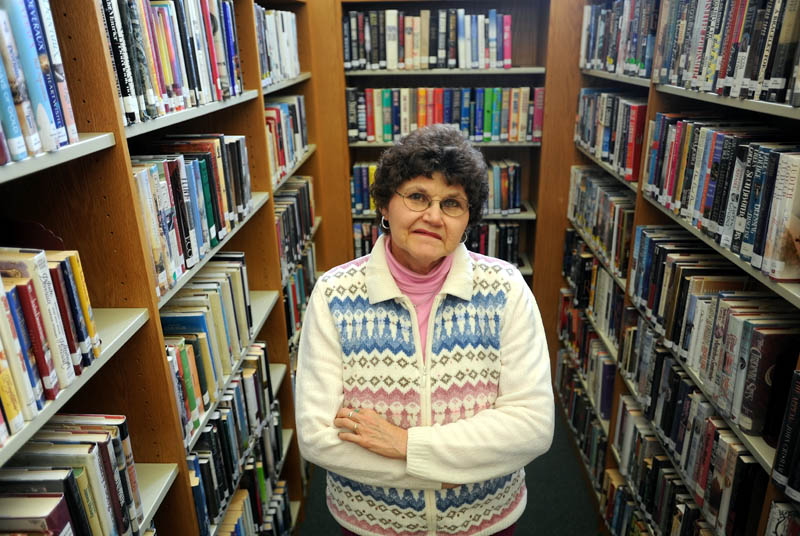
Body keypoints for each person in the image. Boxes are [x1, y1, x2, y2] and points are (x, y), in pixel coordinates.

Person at [296, 124, 554, 536]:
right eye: (417, 197)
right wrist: (448, 469)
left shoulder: (506, 289)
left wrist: (406, 445)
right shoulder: (334, 295)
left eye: (452, 203)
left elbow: (532, 426)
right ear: (385, 204)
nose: (433, 216)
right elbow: (317, 436)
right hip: (372, 524)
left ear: (468, 219)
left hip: (484, 521)